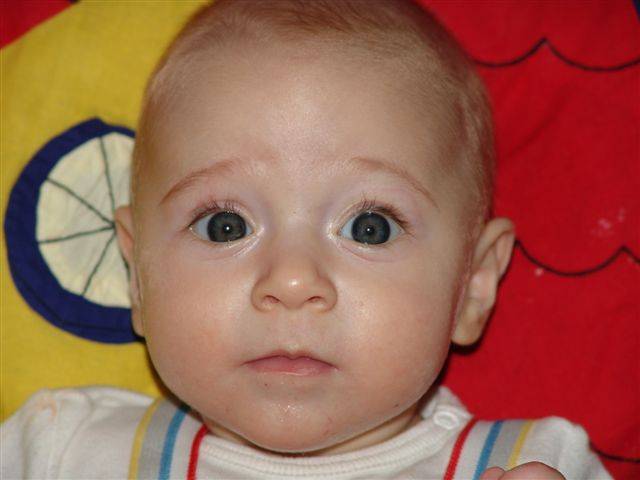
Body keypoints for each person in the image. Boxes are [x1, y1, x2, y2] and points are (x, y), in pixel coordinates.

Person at [1, 1, 612, 478]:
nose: (292, 281)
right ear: (139, 277)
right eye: (225, 226)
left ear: (473, 285)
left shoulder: (536, 461)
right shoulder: (60, 450)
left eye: (370, 228)